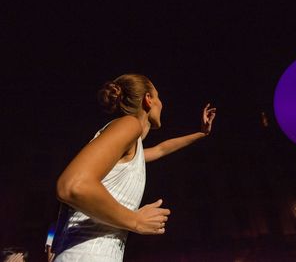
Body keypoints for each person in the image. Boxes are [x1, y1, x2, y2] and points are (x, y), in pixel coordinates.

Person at [52, 73, 216, 262]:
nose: (162, 104)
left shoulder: (133, 145)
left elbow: (161, 149)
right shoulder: (130, 125)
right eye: (158, 97)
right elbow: (72, 186)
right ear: (148, 99)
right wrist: (135, 220)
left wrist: (201, 134)